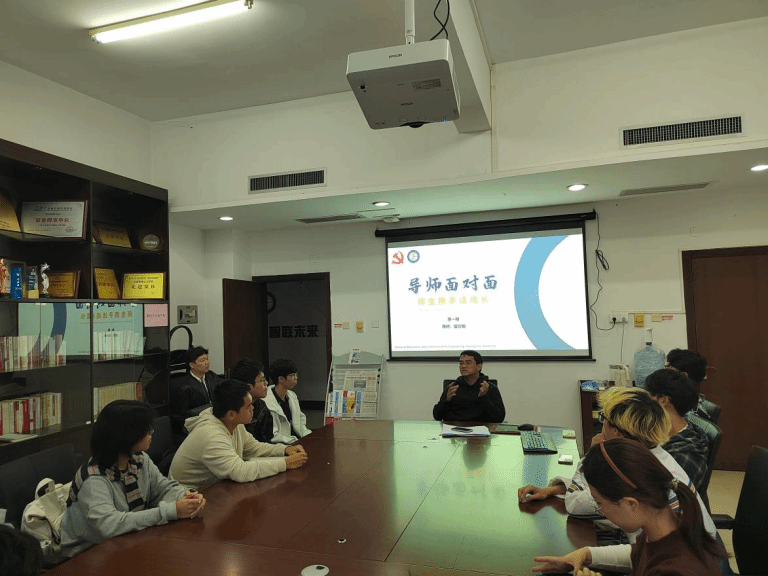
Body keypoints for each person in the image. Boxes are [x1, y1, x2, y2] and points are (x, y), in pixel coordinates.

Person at [517, 387, 716, 541]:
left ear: (617, 432)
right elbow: (592, 495)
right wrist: (553, 490)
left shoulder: (630, 471)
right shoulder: (652, 455)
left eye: (603, 419)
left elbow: (575, 504)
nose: (601, 425)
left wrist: (592, 455)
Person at [530, 438, 725, 575]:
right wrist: (586, 554)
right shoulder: (662, 529)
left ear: (631, 504)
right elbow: (637, 554)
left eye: (599, 503)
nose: (600, 510)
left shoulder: (677, 569)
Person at [60, 400, 205, 558]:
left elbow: (163, 489)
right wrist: (171, 511)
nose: (152, 432)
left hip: (127, 542)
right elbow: (110, 526)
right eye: (145, 429)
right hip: (86, 555)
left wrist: (186, 496)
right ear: (126, 436)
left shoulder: (139, 460)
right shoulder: (93, 479)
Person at [169, 379, 308, 490]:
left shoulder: (232, 422)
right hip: (189, 497)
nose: (253, 408)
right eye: (248, 406)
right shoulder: (211, 435)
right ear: (231, 414)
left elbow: (253, 448)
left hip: (216, 488)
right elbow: (240, 471)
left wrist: (284, 449)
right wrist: (285, 463)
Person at [644, 368, 709, 492]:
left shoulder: (684, 455)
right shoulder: (672, 432)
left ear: (663, 400)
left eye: (648, 397)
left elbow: (666, 497)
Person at [432, 350, 505, 423]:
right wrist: (446, 400)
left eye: (468, 363)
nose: (463, 366)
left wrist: (484, 398)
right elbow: (437, 416)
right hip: (454, 428)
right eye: (461, 363)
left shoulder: (489, 388)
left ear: (479, 366)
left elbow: (499, 418)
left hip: (481, 428)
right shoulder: (452, 388)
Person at [264, 358, 312, 444]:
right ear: (281, 379)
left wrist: (307, 435)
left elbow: (300, 421)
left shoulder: (292, 395)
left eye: (296, 374)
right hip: (281, 444)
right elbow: (273, 435)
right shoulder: (266, 401)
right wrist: (295, 441)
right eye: (292, 375)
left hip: (296, 441)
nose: (296, 378)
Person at [230, 357, 274, 443]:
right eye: (262, 380)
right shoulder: (232, 410)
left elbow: (266, 439)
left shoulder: (262, 407)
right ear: (248, 386)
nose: (266, 383)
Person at [170, 346, 220, 421]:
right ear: (192, 365)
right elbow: (183, 414)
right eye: (202, 360)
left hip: (215, 416)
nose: (207, 363)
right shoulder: (185, 387)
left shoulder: (211, 376)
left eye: (207, 359)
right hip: (197, 420)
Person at [665, 348, 714, 420]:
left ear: (684, 376)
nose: (664, 375)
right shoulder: (679, 401)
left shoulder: (689, 415)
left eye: (669, 372)